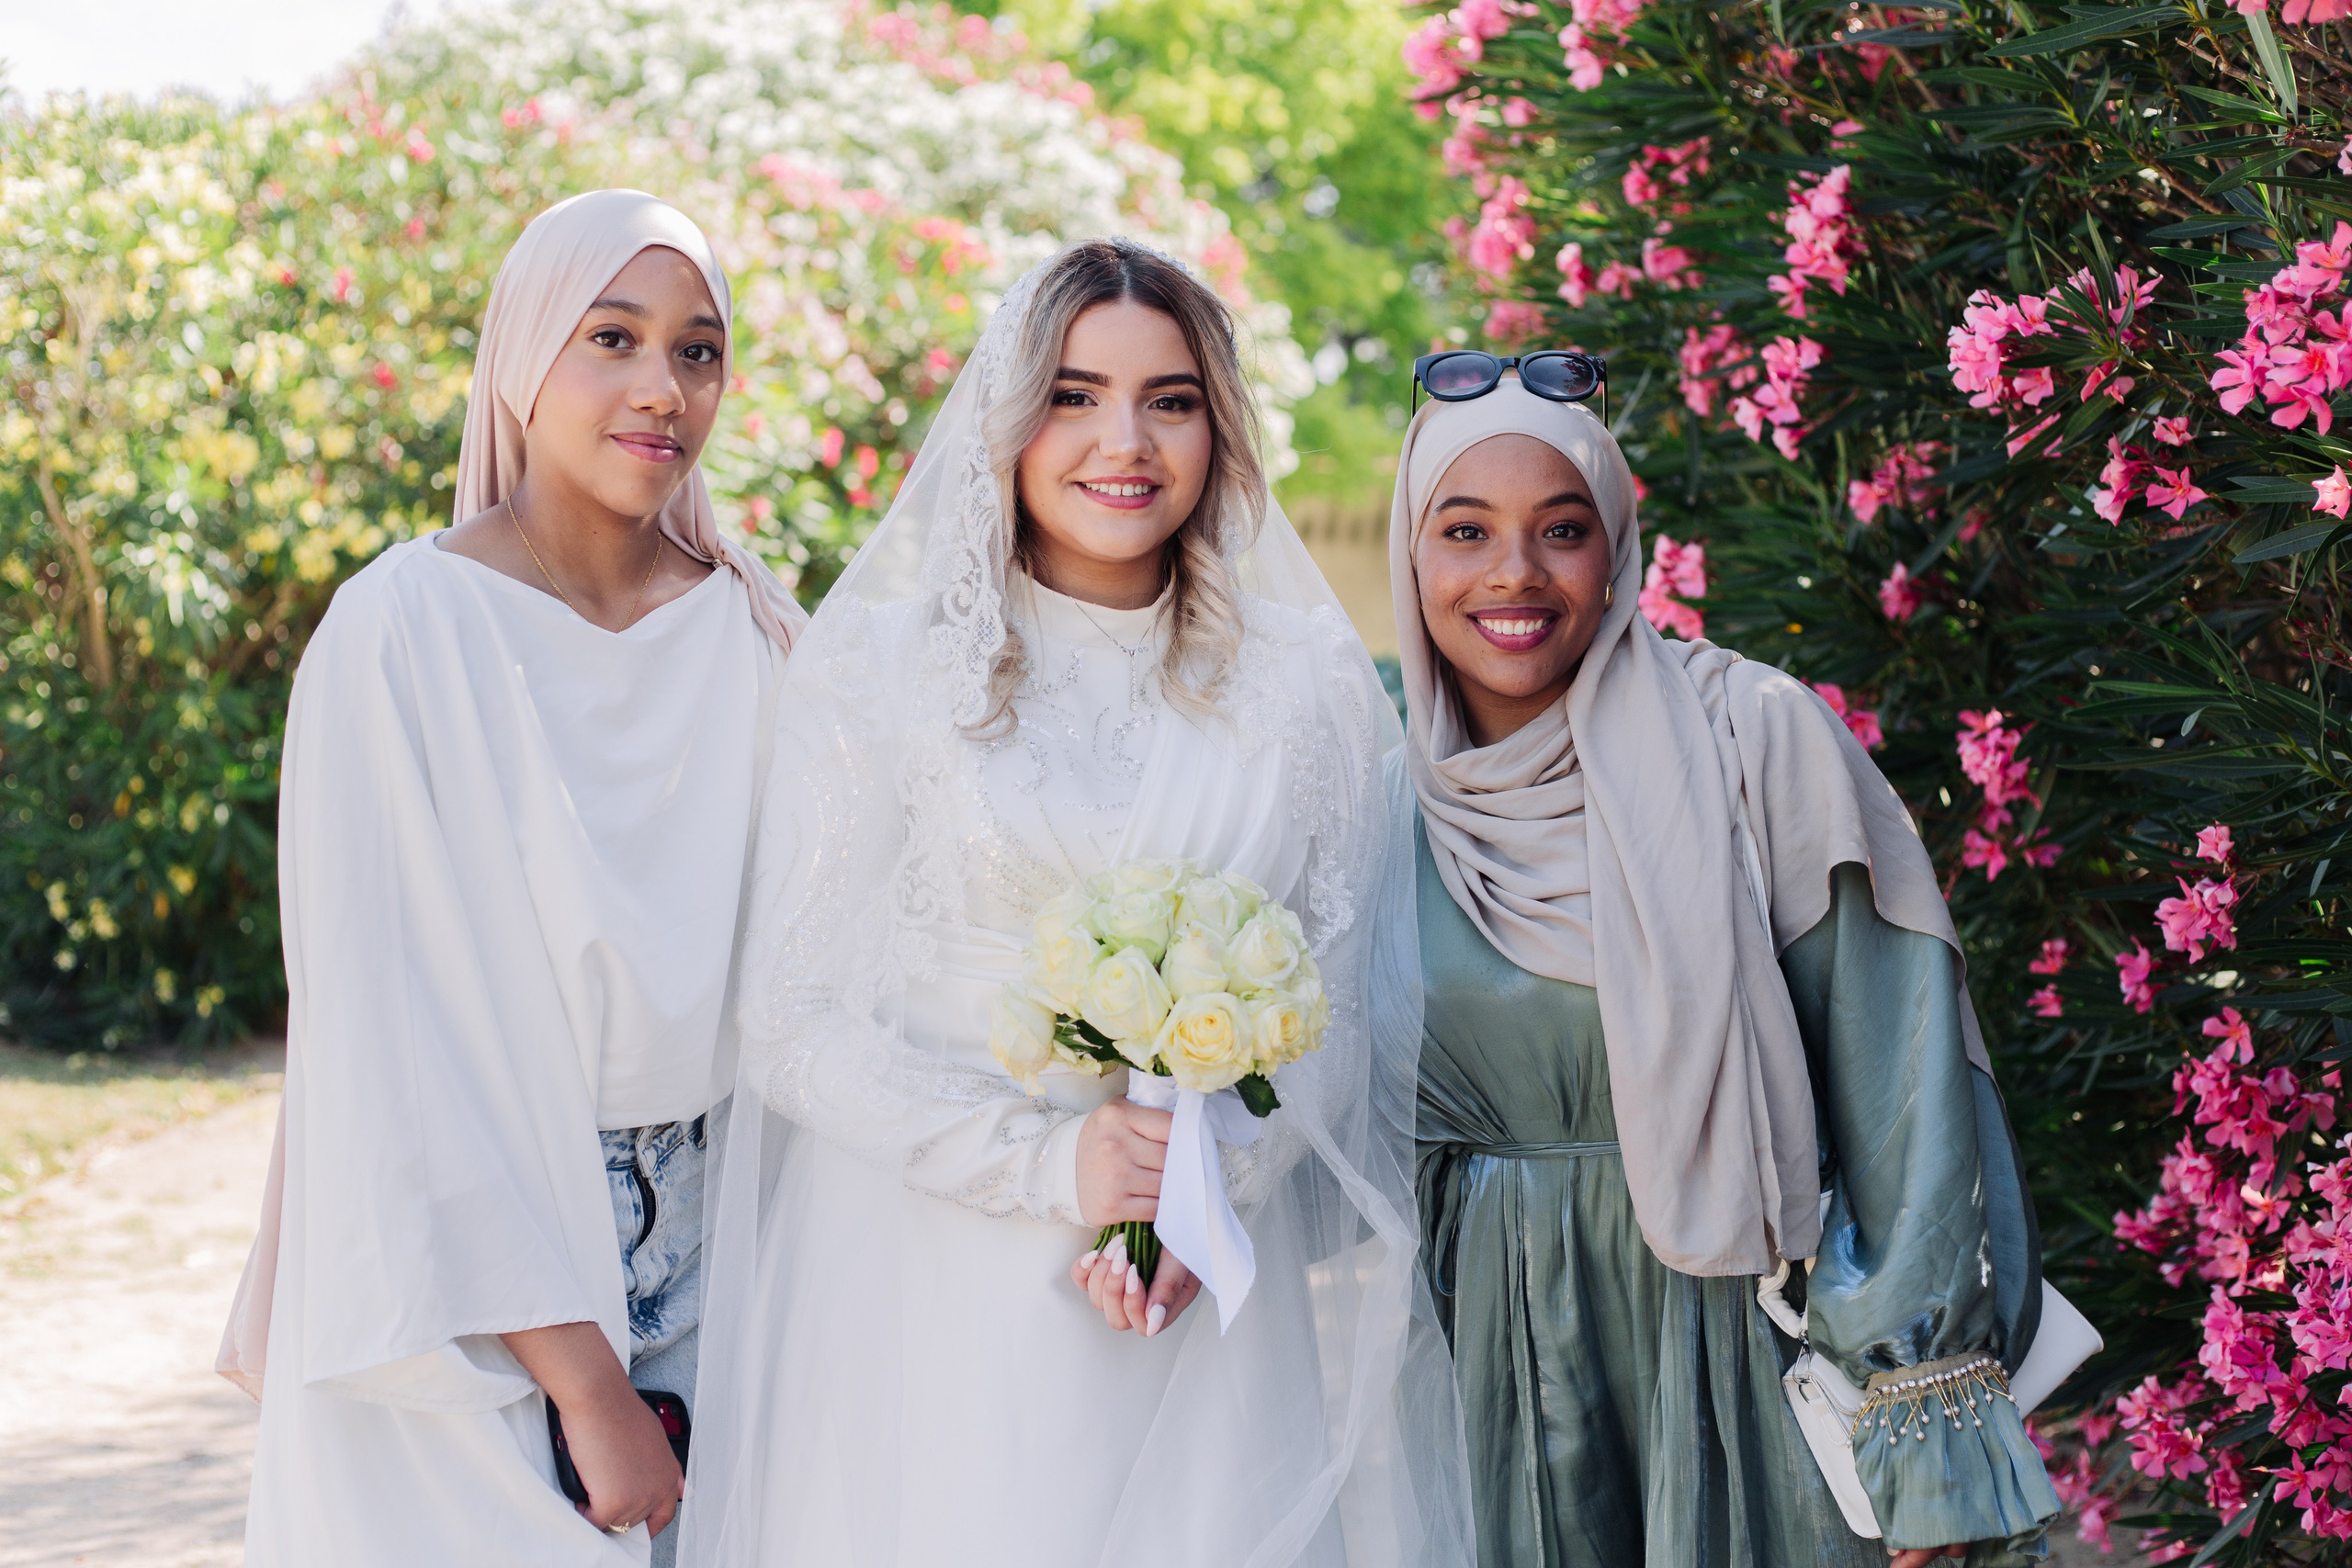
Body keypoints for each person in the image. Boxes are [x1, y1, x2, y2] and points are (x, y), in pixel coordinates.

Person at [683, 240, 1474, 1567]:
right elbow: (791, 1021)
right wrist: (1057, 1166)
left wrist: (1204, 1191)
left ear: (1217, 425)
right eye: (1073, 393)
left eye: (1170, 399)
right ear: (1008, 418)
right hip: (929, 1288)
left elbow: (1340, 1002)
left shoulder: (1307, 687)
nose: (1127, 440)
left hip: (1200, 1302)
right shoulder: (881, 671)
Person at [217, 188, 804, 1567]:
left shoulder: (760, 632)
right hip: (479, 1266)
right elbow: (389, 1040)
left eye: (700, 350)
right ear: (522, 355)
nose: (663, 386)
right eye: (613, 337)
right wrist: (585, 1380)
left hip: (734, 1244)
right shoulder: (402, 632)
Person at [1389, 373, 2064, 1567]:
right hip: (1497, 1357)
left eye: (1562, 527)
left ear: (1616, 545)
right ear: (1411, 554)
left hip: (1746, 1348)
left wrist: (1918, 1432)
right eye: (1464, 531)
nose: (1514, 575)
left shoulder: (1751, 735)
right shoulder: (1384, 788)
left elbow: (1900, 1084)